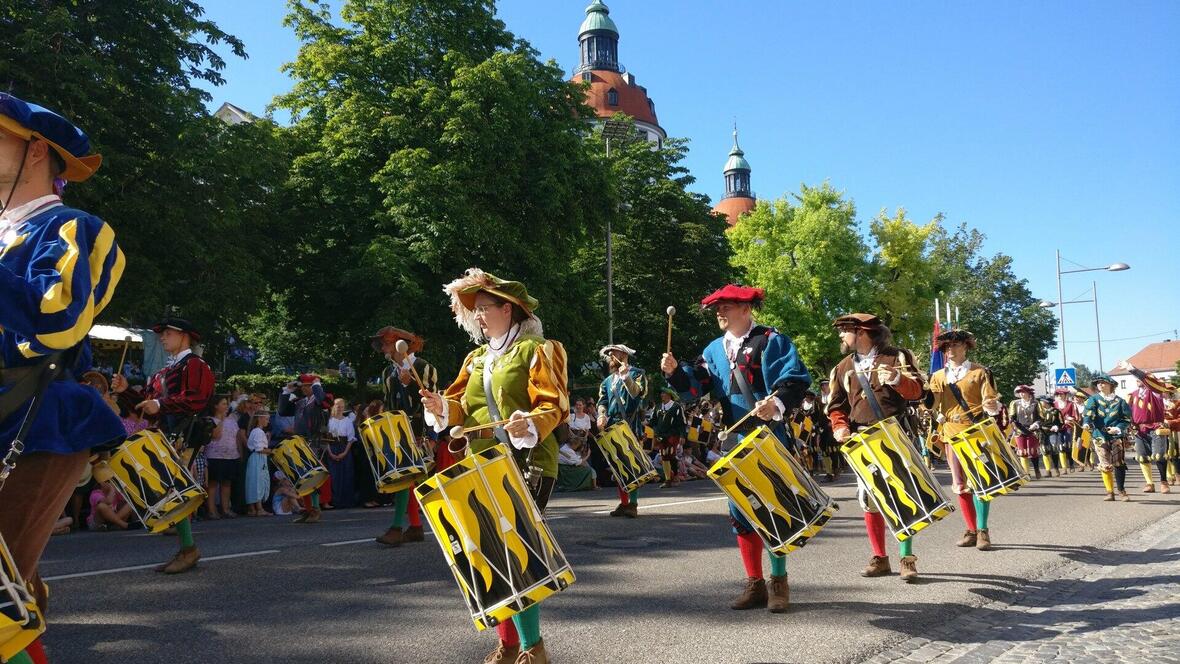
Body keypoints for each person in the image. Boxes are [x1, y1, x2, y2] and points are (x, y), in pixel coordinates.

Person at [0, 93, 126, 664]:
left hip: (30, 423)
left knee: (3, 602)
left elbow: (57, 321)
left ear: (35, 150)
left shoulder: (76, 227)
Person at [421, 268, 568, 664]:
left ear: (508, 308)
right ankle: (507, 645)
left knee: (516, 550)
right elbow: (461, 406)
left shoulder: (538, 350)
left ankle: (532, 648)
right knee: (488, 552)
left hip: (528, 459)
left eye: (484, 308)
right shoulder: (476, 359)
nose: (478, 316)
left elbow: (553, 405)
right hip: (479, 463)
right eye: (476, 310)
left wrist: (529, 421)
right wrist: (440, 407)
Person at [662, 284, 810, 613]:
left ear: (746, 309)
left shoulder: (772, 340)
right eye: (717, 307)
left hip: (768, 435)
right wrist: (675, 374)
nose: (719, 312)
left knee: (773, 509)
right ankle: (754, 583)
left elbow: (796, 380)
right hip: (734, 439)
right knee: (740, 510)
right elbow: (695, 387)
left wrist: (776, 404)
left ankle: (779, 581)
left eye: (726, 306)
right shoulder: (714, 349)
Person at [825, 313, 927, 583]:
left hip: (895, 434)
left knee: (901, 496)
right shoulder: (843, 367)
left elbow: (919, 392)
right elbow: (836, 406)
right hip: (862, 440)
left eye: (845, 331)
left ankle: (907, 558)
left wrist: (897, 379)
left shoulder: (898, 358)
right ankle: (880, 557)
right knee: (869, 500)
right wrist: (840, 426)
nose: (840, 336)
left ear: (860, 333)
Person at [112, 317, 215, 573]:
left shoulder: (195, 365)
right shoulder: (164, 372)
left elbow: (196, 399)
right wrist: (126, 391)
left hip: (185, 434)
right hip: (166, 435)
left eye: (168, 333)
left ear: (184, 336)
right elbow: (148, 404)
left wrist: (160, 405)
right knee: (172, 491)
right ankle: (187, 548)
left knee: (174, 491)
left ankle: (189, 549)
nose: (162, 337)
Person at [926, 330, 1003, 551]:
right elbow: (931, 403)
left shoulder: (980, 372)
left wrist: (991, 406)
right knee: (960, 486)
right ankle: (970, 529)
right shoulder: (938, 376)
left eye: (956, 345)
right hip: (950, 434)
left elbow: (990, 399)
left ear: (965, 347)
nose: (951, 350)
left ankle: (983, 530)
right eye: (947, 347)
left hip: (975, 433)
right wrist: (929, 404)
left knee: (980, 483)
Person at [372, 326, 439, 546]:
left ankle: (397, 528)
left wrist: (410, 384)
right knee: (408, 478)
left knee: (405, 478)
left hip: (418, 433)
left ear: (399, 344)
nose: (383, 348)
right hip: (396, 433)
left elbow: (431, 400)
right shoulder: (386, 373)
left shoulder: (423, 367)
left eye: (386, 343)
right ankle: (416, 527)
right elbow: (389, 404)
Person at [596, 344, 648, 516]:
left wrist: (626, 377)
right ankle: (624, 503)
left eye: (615, 353)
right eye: (610, 354)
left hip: (630, 424)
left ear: (624, 355)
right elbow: (602, 402)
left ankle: (633, 504)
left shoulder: (637, 373)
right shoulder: (607, 381)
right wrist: (601, 415)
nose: (611, 356)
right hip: (612, 425)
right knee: (618, 466)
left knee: (632, 464)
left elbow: (637, 394)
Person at [1116, 360, 1172, 494]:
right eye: (1136, 379)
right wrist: (1128, 425)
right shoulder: (1132, 395)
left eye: (1140, 378)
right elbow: (1127, 412)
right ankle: (1149, 483)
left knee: (1158, 456)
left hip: (1156, 427)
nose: (1138, 380)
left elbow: (1150, 382)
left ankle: (1164, 482)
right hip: (1139, 429)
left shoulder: (1156, 391)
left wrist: (1131, 368)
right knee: (1142, 457)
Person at [1082, 373, 1133, 501]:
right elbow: (1088, 413)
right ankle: (1110, 492)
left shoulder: (1120, 401)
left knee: (1119, 463)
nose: (1100, 384)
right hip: (1099, 435)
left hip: (1116, 435)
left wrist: (1118, 428)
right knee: (1104, 463)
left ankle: (1121, 490)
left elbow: (1127, 419)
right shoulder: (1093, 399)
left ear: (1111, 385)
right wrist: (1087, 423)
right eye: (1098, 383)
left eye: (1103, 382)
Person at [205, 395, 241, 519]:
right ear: (216, 405)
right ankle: (212, 510)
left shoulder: (232, 421)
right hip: (215, 456)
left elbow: (237, 438)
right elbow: (215, 436)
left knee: (227, 483)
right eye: (224, 403)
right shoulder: (210, 420)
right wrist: (221, 420)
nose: (226, 406)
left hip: (231, 456)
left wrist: (239, 453)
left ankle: (225, 509)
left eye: (227, 404)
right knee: (213, 483)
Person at [650, 387, 687, 488]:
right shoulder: (657, 407)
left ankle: (675, 476)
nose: (662, 395)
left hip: (673, 434)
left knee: (671, 453)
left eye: (664, 393)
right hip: (661, 435)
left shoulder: (676, 407)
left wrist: (683, 435)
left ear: (669, 394)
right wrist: (655, 432)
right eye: (661, 393)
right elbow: (653, 421)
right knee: (663, 455)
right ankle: (668, 480)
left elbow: (682, 422)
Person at [325, 398, 356, 509]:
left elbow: (351, 439)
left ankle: (346, 501)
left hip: (344, 449)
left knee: (346, 474)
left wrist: (345, 452)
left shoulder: (347, 421)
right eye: (338, 406)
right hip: (332, 448)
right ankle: (335, 500)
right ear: (334, 406)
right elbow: (326, 439)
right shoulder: (329, 421)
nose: (340, 408)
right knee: (334, 475)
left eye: (342, 406)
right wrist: (331, 453)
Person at [1008, 385, 1044, 479]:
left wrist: (1036, 424)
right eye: (1020, 392)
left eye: (1023, 392)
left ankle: (1036, 469)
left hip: (1033, 430)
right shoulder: (1015, 403)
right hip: (1020, 430)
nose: (1021, 394)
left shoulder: (1036, 403)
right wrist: (1012, 422)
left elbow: (1041, 417)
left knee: (1033, 452)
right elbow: (1012, 417)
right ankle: (1026, 473)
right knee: (1022, 452)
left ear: (1029, 393)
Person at [244, 410, 273, 516]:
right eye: (266, 419)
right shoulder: (258, 431)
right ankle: (259, 508)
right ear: (260, 419)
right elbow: (259, 449)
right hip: (258, 458)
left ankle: (252, 509)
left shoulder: (257, 431)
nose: (268, 422)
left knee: (254, 481)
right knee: (258, 481)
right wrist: (272, 451)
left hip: (257, 458)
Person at [1054, 387, 1081, 472]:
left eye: (1063, 394)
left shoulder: (1071, 404)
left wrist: (1070, 418)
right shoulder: (1054, 404)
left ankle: (1071, 464)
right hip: (1058, 427)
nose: (1061, 396)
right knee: (1060, 447)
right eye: (1059, 395)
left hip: (1068, 426)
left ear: (1066, 395)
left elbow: (1076, 416)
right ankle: (1064, 468)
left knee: (1068, 446)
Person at [1038, 395, 1065, 476]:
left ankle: (1056, 469)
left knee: (1054, 450)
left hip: (1052, 432)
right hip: (1042, 432)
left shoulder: (1056, 411)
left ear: (1047, 402)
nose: (1040, 403)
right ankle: (1048, 470)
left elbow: (1061, 422)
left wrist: (1057, 426)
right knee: (1044, 451)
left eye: (1042, 401)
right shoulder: (1039, 411)